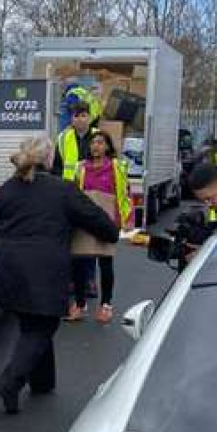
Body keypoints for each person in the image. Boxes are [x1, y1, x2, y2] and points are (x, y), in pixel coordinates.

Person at [0, 136, 120, 415]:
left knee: (31, 323)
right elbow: (98, 221)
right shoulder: (62, 190)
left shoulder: (8, 188)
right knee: (43, 326)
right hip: (44, 265)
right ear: (50, 158)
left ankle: (42, 383)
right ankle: (10, 381)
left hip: (9, 261)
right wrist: (111, 234)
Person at [69, 130, 134, 324]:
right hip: (84, 219)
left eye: (100, 142)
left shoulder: (116, 166)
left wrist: (126, 219)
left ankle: (106, 305)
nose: (96, 146)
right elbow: (73, 193)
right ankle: (80, 305)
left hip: (107, 219)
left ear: (107, 147)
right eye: (93, 143)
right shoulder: (81, 167)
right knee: (78, 261)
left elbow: (124, 193)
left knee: (106, 263)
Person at [52, 102, 97, 180]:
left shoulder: (98, 136)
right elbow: (56, 167)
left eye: (83, 116)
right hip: (69, 185)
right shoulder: (63, 137)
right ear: (71, 119)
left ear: (89, 118)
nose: (80, 119)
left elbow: (107, 163)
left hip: (93, 185)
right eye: (76, 116)